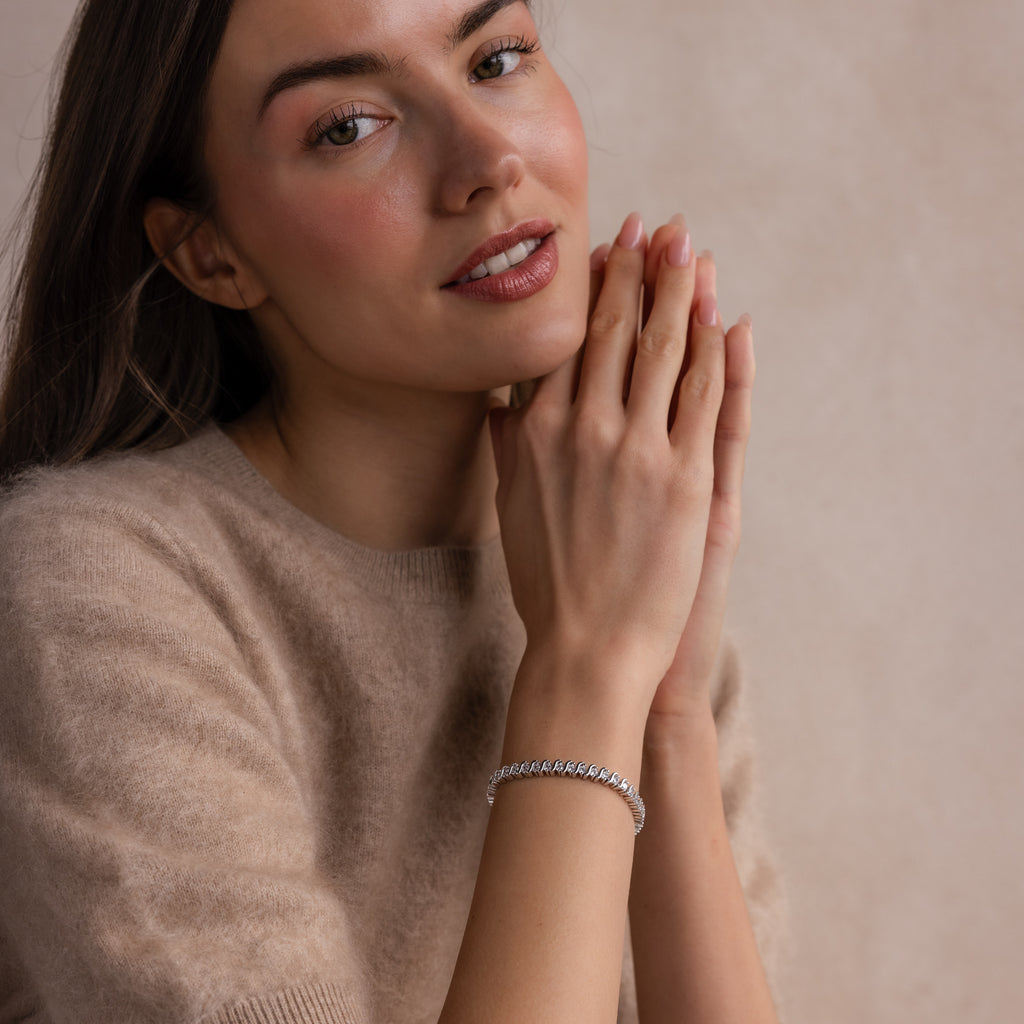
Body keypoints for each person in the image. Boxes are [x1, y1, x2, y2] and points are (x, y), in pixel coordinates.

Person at [0, 0, 783, 1021]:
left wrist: (664, 701)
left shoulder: (606, 554)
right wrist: (585, 673)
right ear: (208, 254)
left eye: (497, 58)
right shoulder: (89, 587)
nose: (489, 157)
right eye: (348, 126)